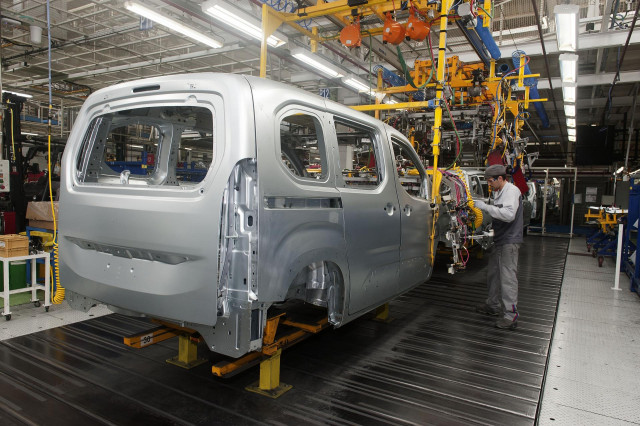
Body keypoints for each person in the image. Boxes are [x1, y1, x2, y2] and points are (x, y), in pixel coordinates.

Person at [473, 164, 524, 330]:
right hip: (500, 239)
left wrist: (485, 207)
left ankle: (511, 316)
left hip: (509, 241)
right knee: (493, 274)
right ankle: (492, 305)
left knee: (507, 278)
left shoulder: (511, 191)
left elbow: (509, 215)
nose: (489, 184)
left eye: (490, 181)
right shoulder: (499, 192)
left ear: (500, 178)